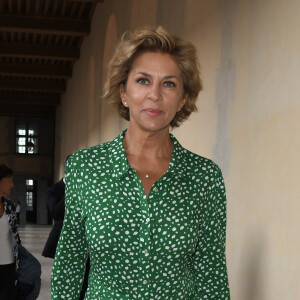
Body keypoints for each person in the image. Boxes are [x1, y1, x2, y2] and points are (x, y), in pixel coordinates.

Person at [51, 26, 230, 299]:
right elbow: (70, 263)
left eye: (168, 83)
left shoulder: (204, 177)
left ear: (182, 99)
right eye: (143, 80)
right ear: (123, 92)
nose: (154, 95)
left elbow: (211, 273)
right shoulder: (85, 168)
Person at [43, 155, 89, 300]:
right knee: (67, 279)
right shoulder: (54, 190)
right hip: (64, 240)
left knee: (86, 278)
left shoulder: (88, 186)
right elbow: (56, 213)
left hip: (87, 240)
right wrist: (72, 190)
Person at [0, 164, 21, 300]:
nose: (12, 184)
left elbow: (15, 236)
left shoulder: (10, 206)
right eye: (9, 180)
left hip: (9, 265)